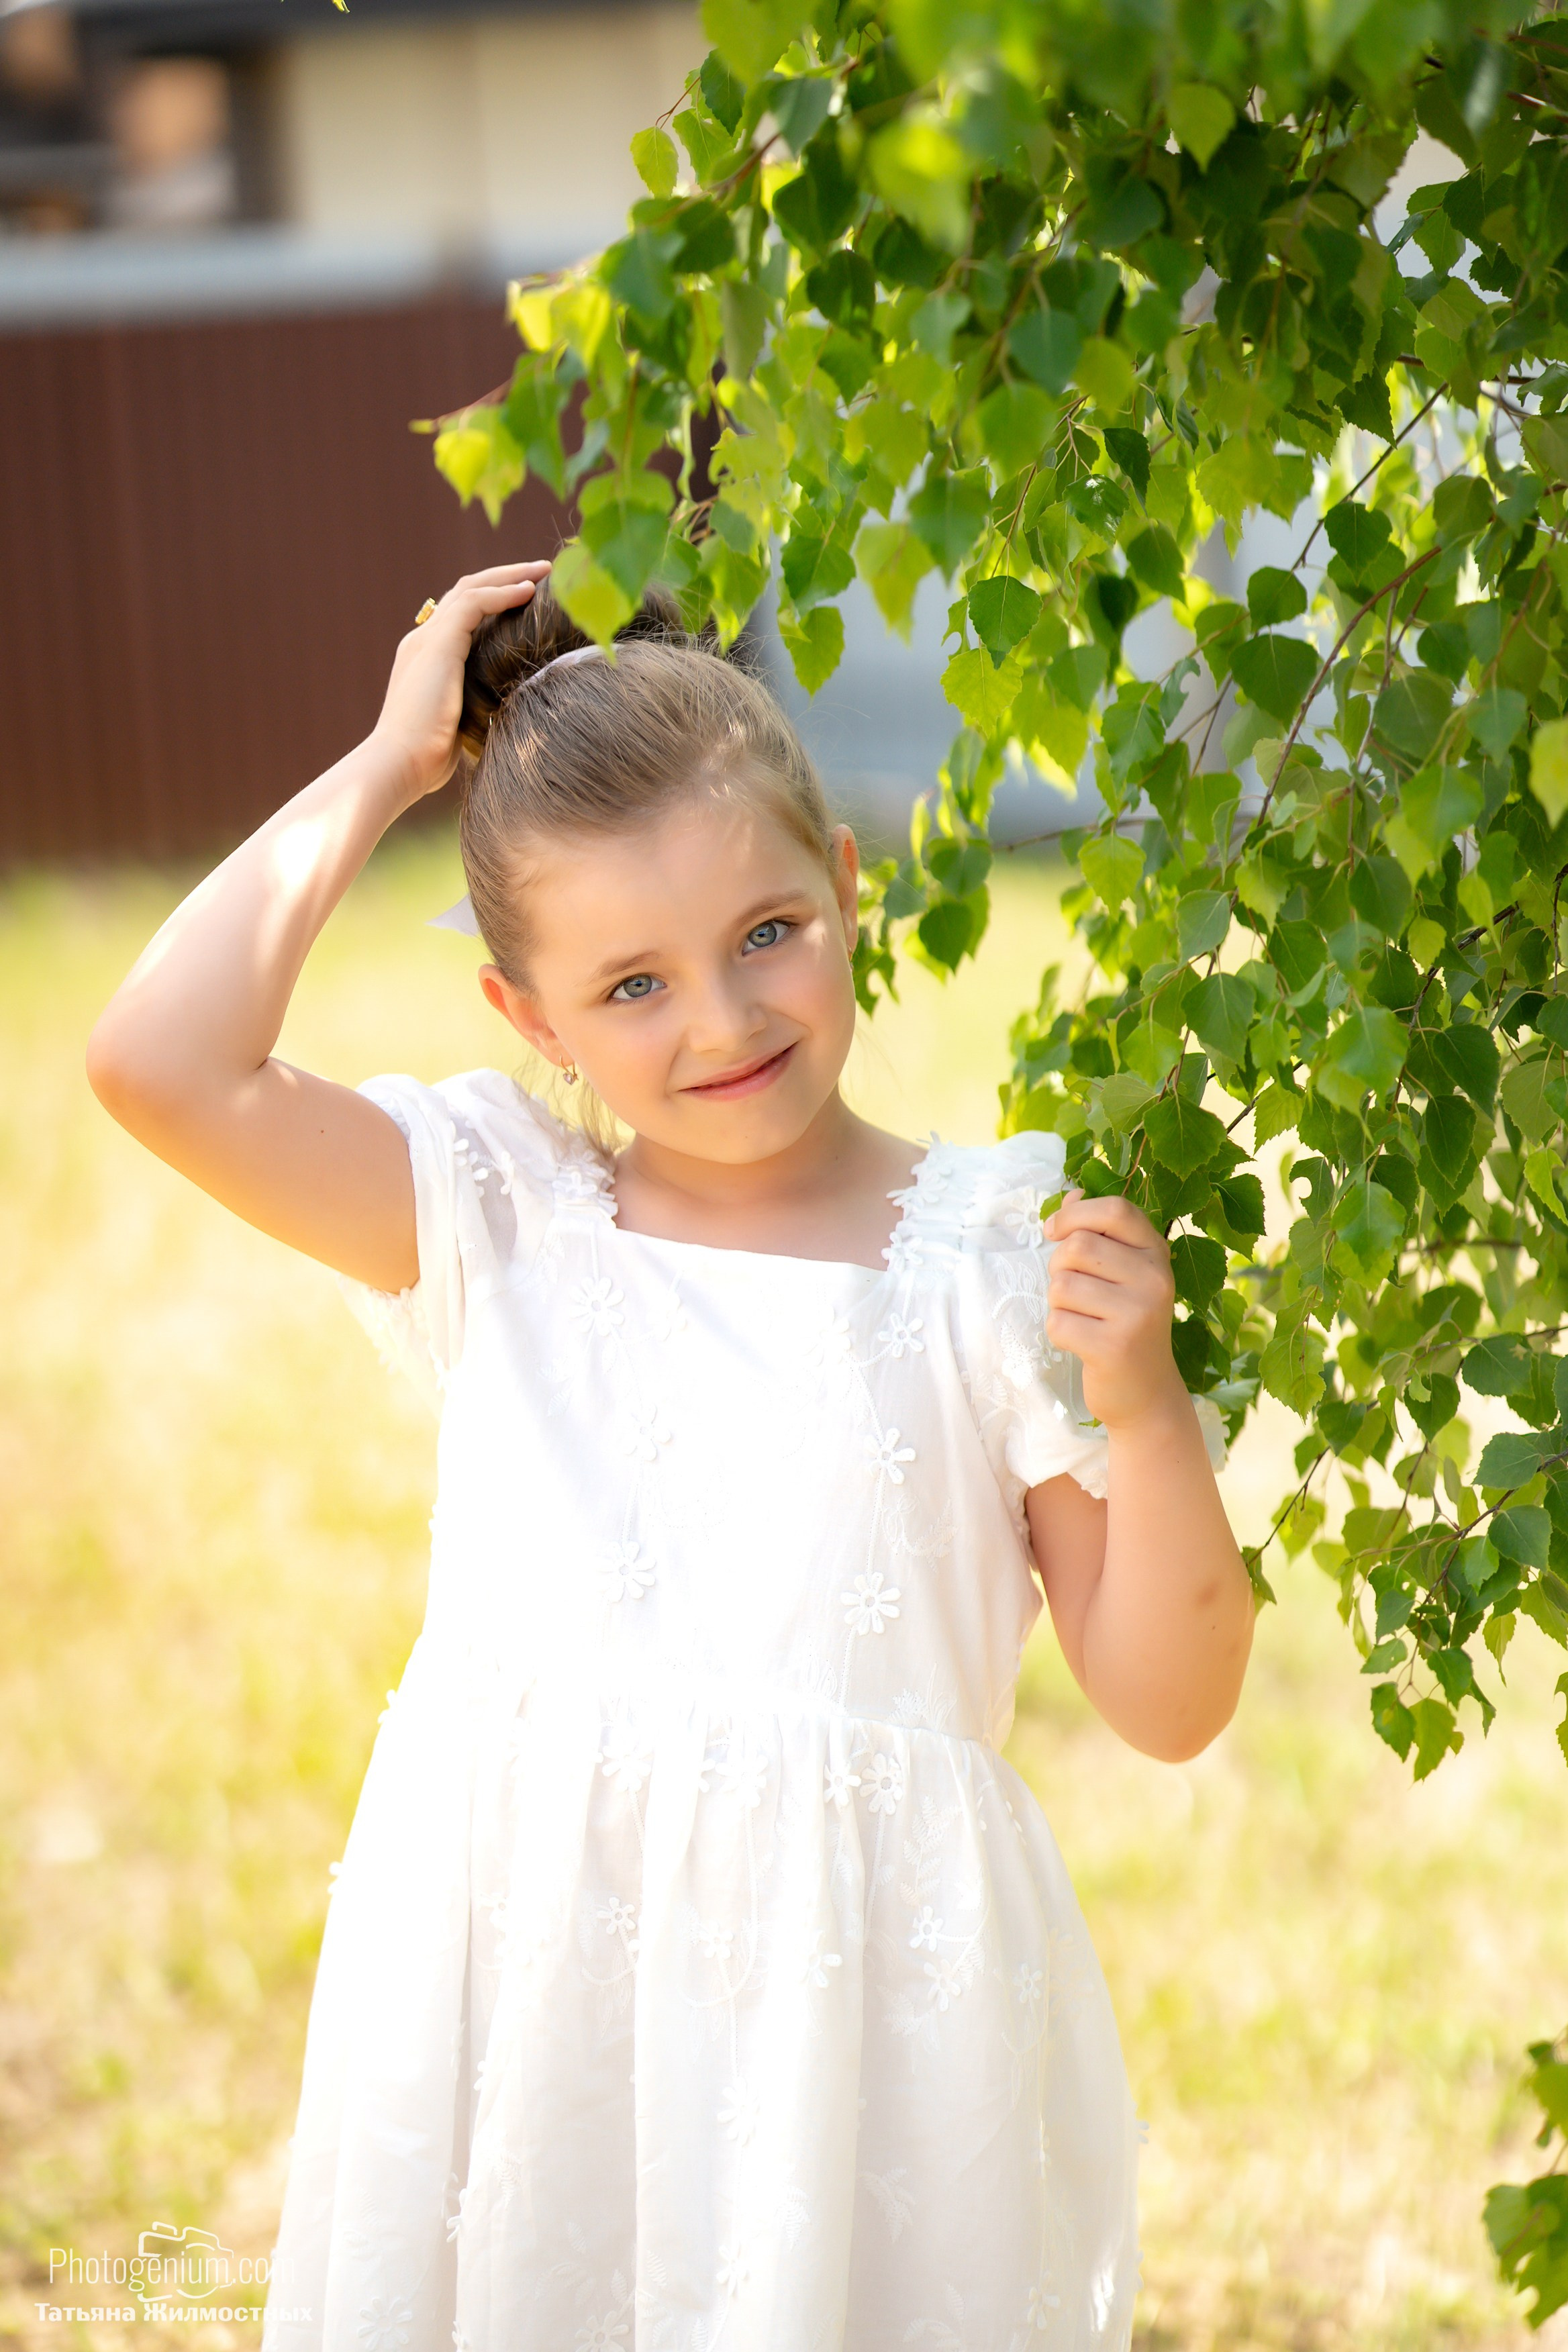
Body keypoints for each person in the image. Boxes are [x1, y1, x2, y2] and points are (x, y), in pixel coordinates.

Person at [87, 560, 1254, 2352]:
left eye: (766, 933)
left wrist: (1148, 1412)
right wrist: (394, 764)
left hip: (847, 2036)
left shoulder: (982, 1260)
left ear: (846, 889)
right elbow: (159, 1063)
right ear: (531, 1020)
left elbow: (1170, 1705)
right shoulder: (499, 1213)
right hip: (533, 1992)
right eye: (632, 984)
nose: (721, 1021)